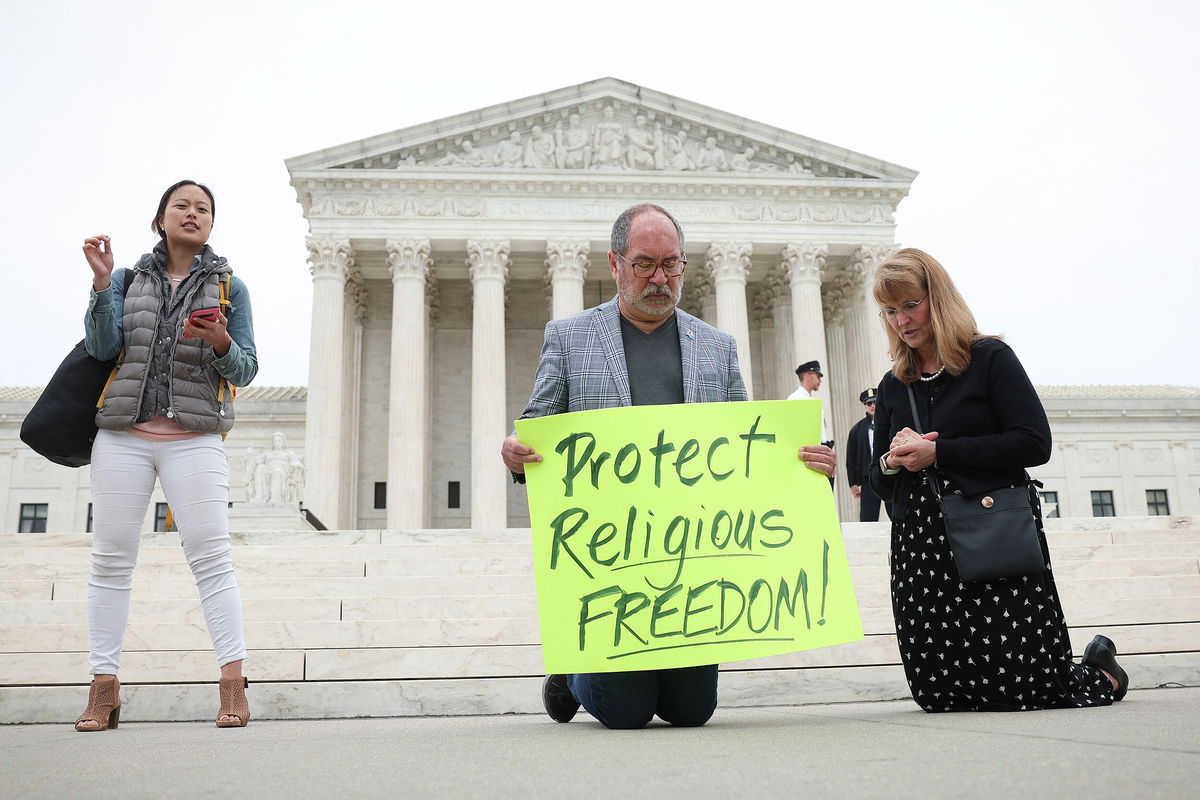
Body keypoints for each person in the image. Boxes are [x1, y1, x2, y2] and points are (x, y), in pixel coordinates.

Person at [501, 204, 836, 729]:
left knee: (691, 710)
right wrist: (516, 453)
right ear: (615, 265)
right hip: (610, 555)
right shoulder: (569, 338)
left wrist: (807, 466)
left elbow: (746, 450)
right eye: (645, 264)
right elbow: (537, 425)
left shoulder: (717, 348)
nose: (660, 278)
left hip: (692, 553)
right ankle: (569, 675)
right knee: (625, 712)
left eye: (672, 265)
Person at [867, 247, 1127, 712]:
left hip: (990, 532)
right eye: (890, 311)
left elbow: (1033, 442)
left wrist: (939, 451)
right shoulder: (893, 385)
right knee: (941, 696)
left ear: (938, 298)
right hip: (921, 548)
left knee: (1030, 691)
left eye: (911, 304)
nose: (901, 320)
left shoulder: (989, 358)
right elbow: (878, 481)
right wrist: (891, 461)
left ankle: (1103, 672)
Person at [75, 179, 257, 731]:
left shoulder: (230, 287)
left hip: (195, 438)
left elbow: (247, 368)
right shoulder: (128, 280)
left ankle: (233, 686)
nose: (192, 214)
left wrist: (222, 342)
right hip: (123, 436)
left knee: (212, 560)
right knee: (110, 562)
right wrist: (103, 286)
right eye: (182, 206)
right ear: (160, 219)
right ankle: (103, 689)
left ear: (211, 224)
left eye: (203, 209)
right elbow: (102, 349)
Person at [788, 360, 833, 488]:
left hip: (821, 450)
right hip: (808, 453)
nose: (820, 380)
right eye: (818, 376)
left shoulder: (811, 399)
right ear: (808, 376)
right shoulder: (795, 399)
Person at [846, 388, 887, 521]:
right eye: (869, 403)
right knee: (868, 517)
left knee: (896, 513)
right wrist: (853, 483)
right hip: (868, 477)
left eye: (875, 402)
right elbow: (850, 459)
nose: (873, 406)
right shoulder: (856, 430)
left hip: (888, 473)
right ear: (865, 406)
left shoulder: (889, 423)